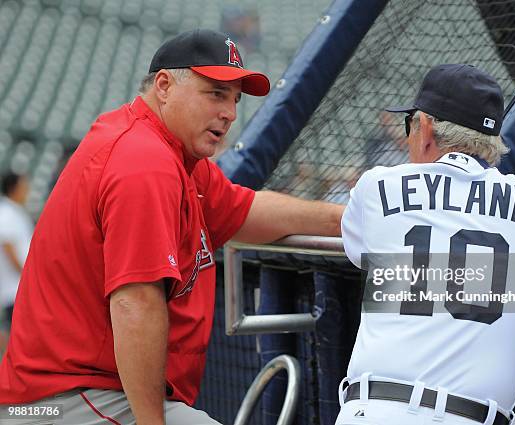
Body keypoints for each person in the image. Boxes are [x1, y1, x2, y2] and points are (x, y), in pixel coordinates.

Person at [0, 29, 344, 425]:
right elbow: (136, 304)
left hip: (76, 392)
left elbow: (245, 209)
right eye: (215, 93)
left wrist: (344, 219)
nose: (230, 113)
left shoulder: (174, 155)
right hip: (67, 397)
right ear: (164, 85)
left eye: (234, 99)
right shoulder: (144, 161)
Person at [337, 64, 515, 425]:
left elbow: (362, 252)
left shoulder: (376, 185)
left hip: (372, 410)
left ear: (426, 128)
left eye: (411, 125)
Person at [0, 172, 33, 355]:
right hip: (14, 289)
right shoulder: (6, 213)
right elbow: (8, 247)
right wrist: (27, 276)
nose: (27, 191)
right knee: (19, 343)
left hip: (18, 288)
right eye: (24, 186)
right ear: (14, 188)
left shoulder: (15, 212)